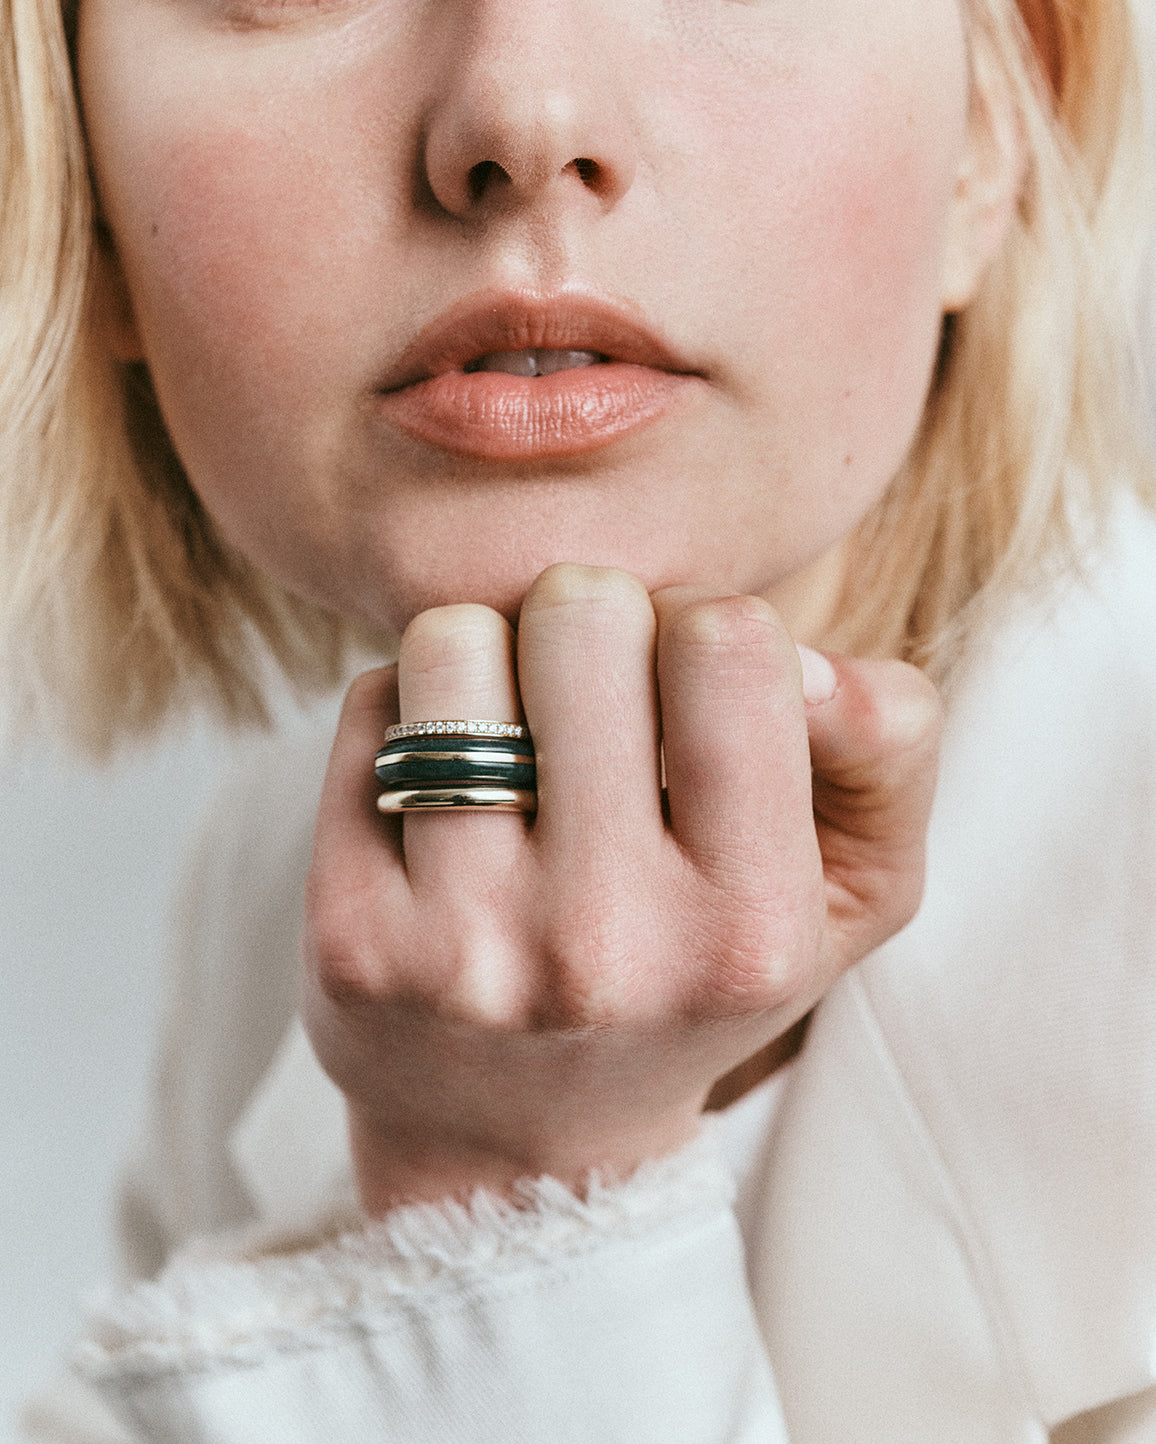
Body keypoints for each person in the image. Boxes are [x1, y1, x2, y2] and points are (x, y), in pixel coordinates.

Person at [5, 0, 1156, 1438]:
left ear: (997, 122)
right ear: (77, 191)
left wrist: (506, 1208)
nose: (523, 121)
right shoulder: (277, 890)